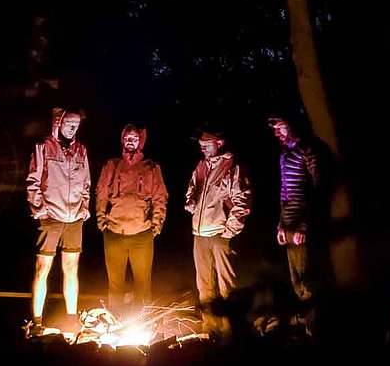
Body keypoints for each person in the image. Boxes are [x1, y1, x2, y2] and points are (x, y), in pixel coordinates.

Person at [26, 107, 91, 336]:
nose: (73, 128)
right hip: (51, 217)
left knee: (71, 269)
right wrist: (41, 211)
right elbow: (33, 180)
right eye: (69, 123)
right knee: (42, 268)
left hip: (74, 219)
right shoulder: (44, 147)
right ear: (59, 123)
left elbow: (86, 184)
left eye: (77, 124)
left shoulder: (81, 150)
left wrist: (84, 209)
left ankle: (72, 318)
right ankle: (36, 320)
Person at [95, 123, 168, 315]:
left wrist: (156, 224)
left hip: (142, 234)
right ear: (122, 140)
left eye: (134, 138)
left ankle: (144, 321)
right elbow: (101, 193)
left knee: (143, 283)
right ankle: (115, 320)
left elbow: (160, 197)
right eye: (127, 137)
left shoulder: (151, 167)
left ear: (140, 141)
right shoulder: (112, 165)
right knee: (115, 283)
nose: (130, 141)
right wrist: (101, 220)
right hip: (114, 232)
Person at [184, 128, 250, 337]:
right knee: (204, 286)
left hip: (221, 234)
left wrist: (229, 231)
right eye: (200, 143)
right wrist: (190, 201)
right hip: (200, 233)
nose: (202, 146)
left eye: (207, 142)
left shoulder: (232, 167)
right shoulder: (201, 166)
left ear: (219, 142)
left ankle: (232, 332)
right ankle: (210, 329)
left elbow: (242, 200)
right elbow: (192, 189)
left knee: (226, 286)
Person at [269, 113, 322, 333]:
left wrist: (304, 226)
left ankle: (316, 327)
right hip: (289, 220)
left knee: (307, 279)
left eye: (280, 127)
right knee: (296, 279)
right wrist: (281, 224)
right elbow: (285, 192)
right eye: (274, 129)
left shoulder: (308, 150)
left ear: (292, 126)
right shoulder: (285, 153)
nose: (276, 133)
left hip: (303, 221)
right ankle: (307, 324)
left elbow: (318, 189)